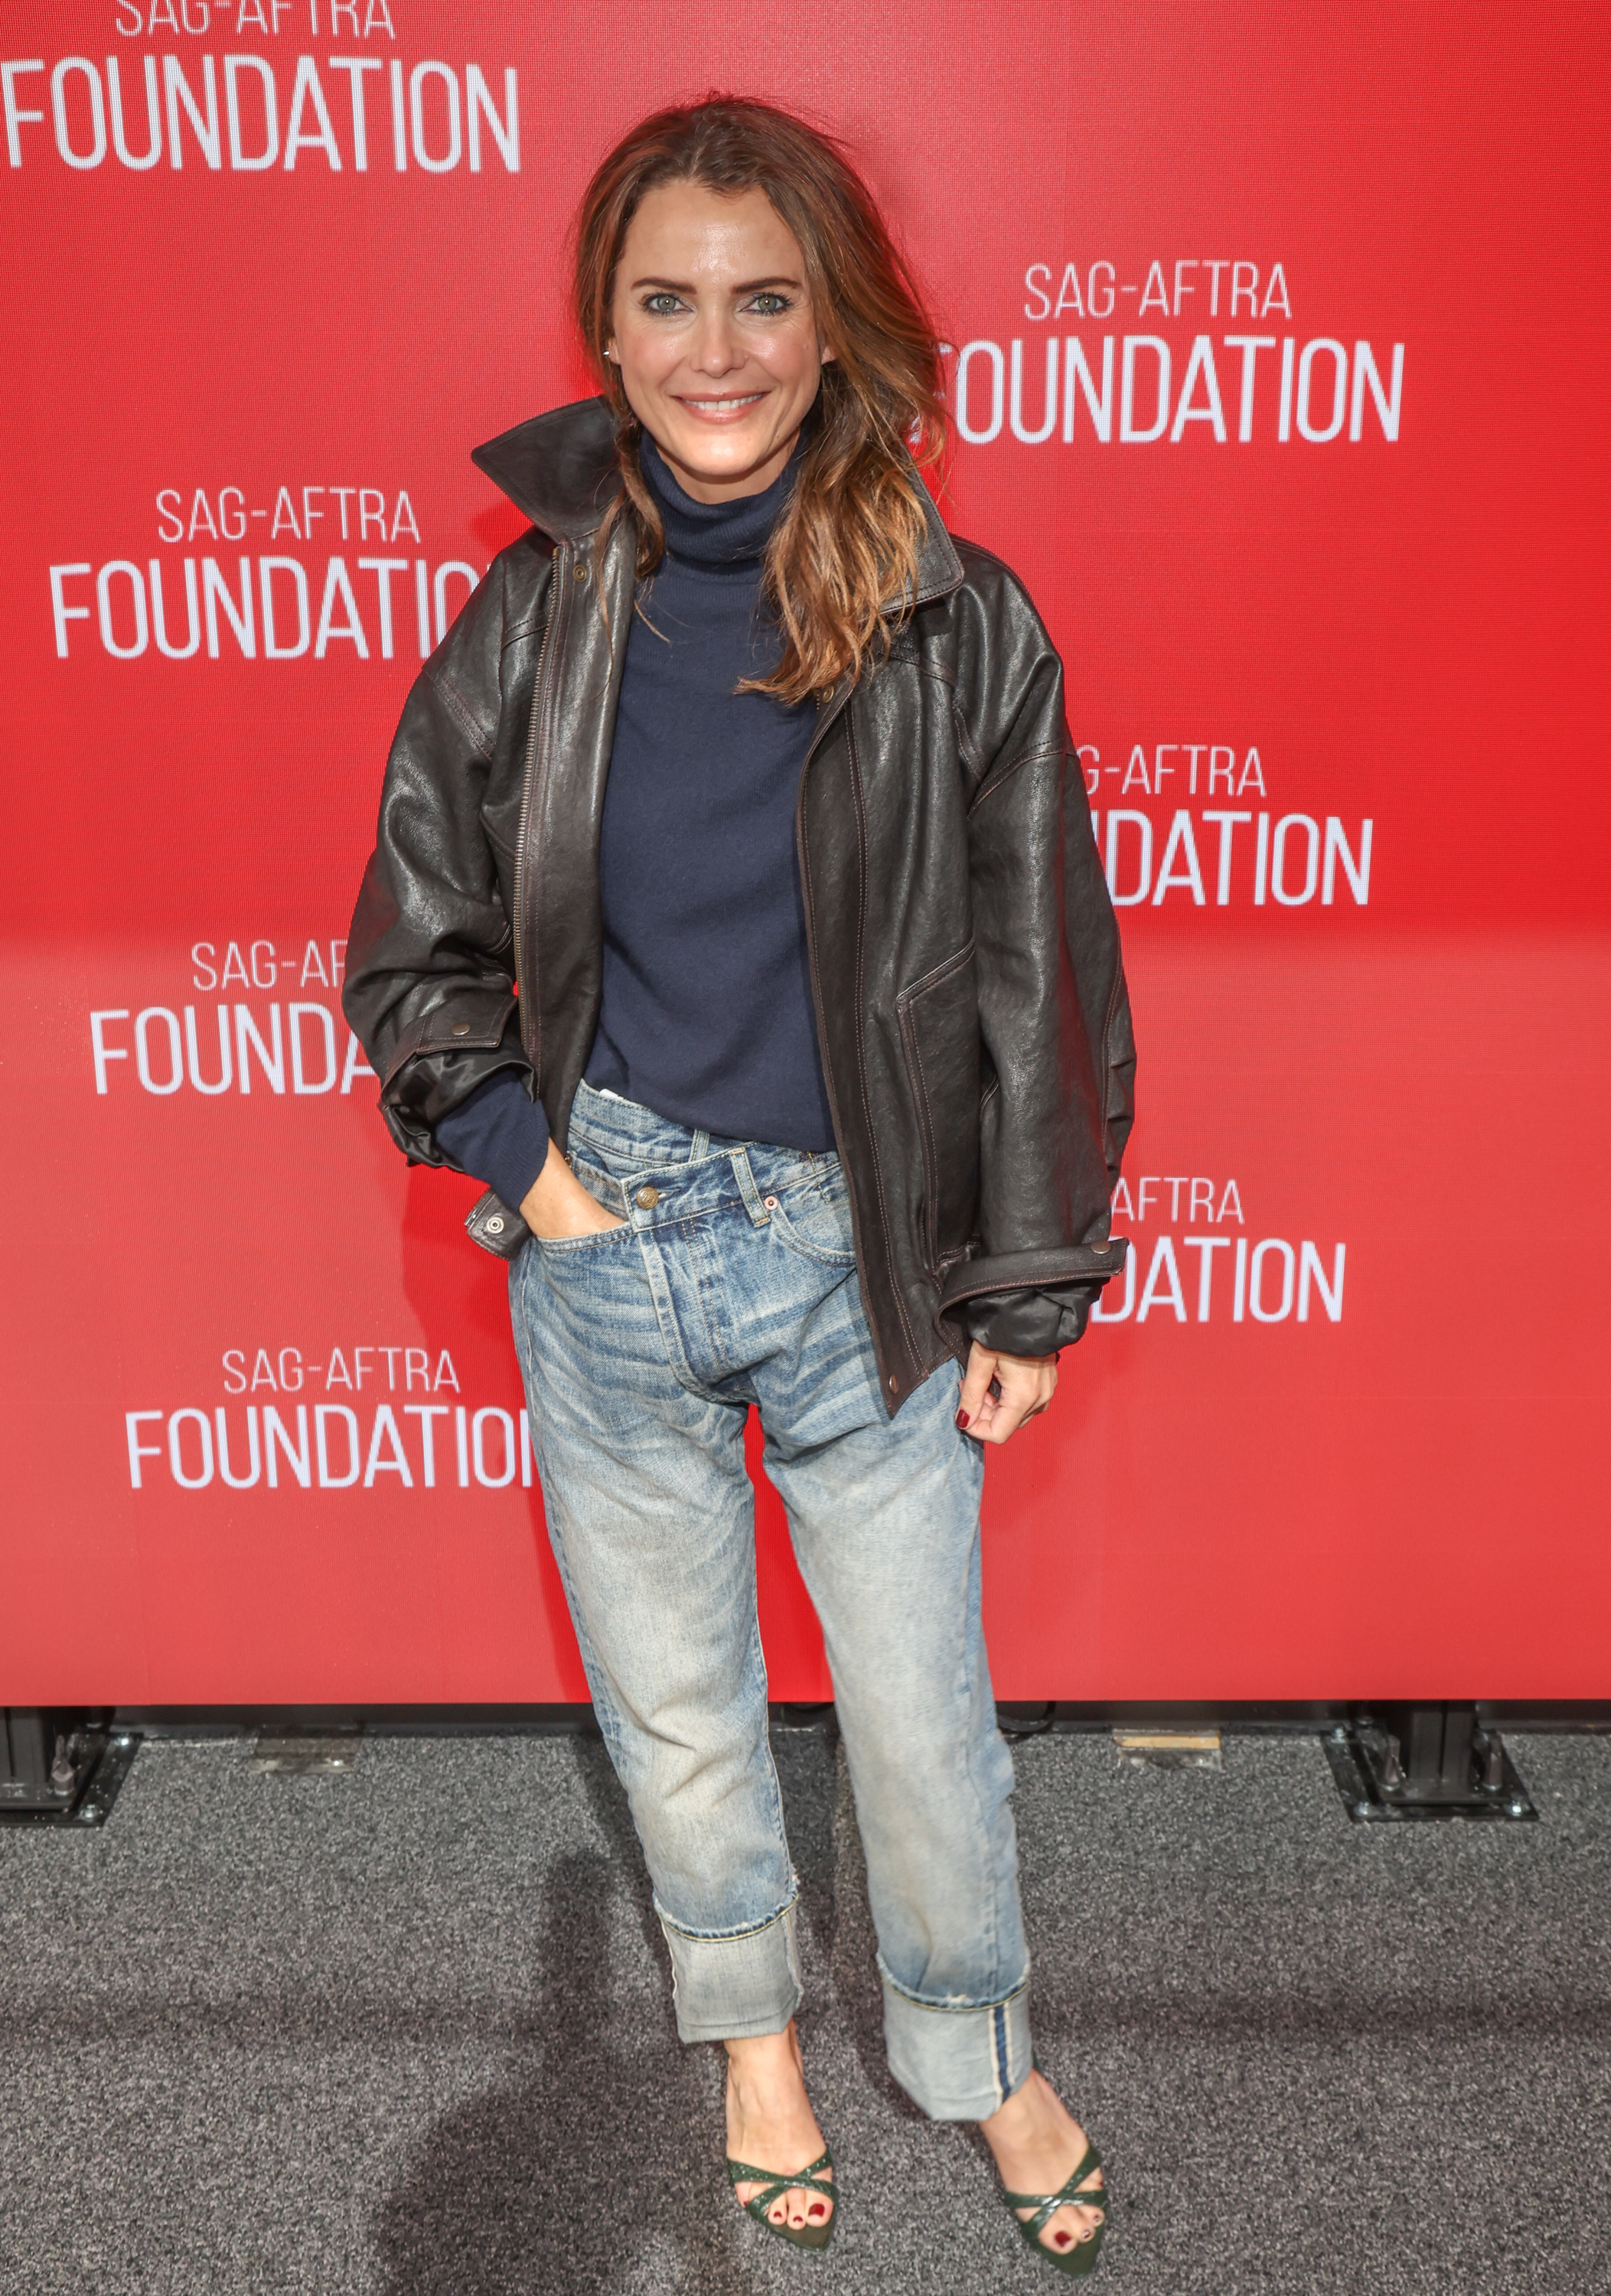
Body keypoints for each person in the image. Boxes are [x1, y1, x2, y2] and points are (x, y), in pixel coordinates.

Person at [343, 96, 1133, 2274]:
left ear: (834, 323)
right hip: (610, 1251)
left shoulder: (957, 620)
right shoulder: (535, 613)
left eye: (764, 300)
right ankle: (753, 2044)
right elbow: (410, 946)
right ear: (604, 333)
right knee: (682, 1721)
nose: (717, 352)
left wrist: (1028, 1287)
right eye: (668, 303)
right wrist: (538, 1179)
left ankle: (976, 2054)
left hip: (864, 1255)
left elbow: (1044, 972)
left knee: (922, 1730)